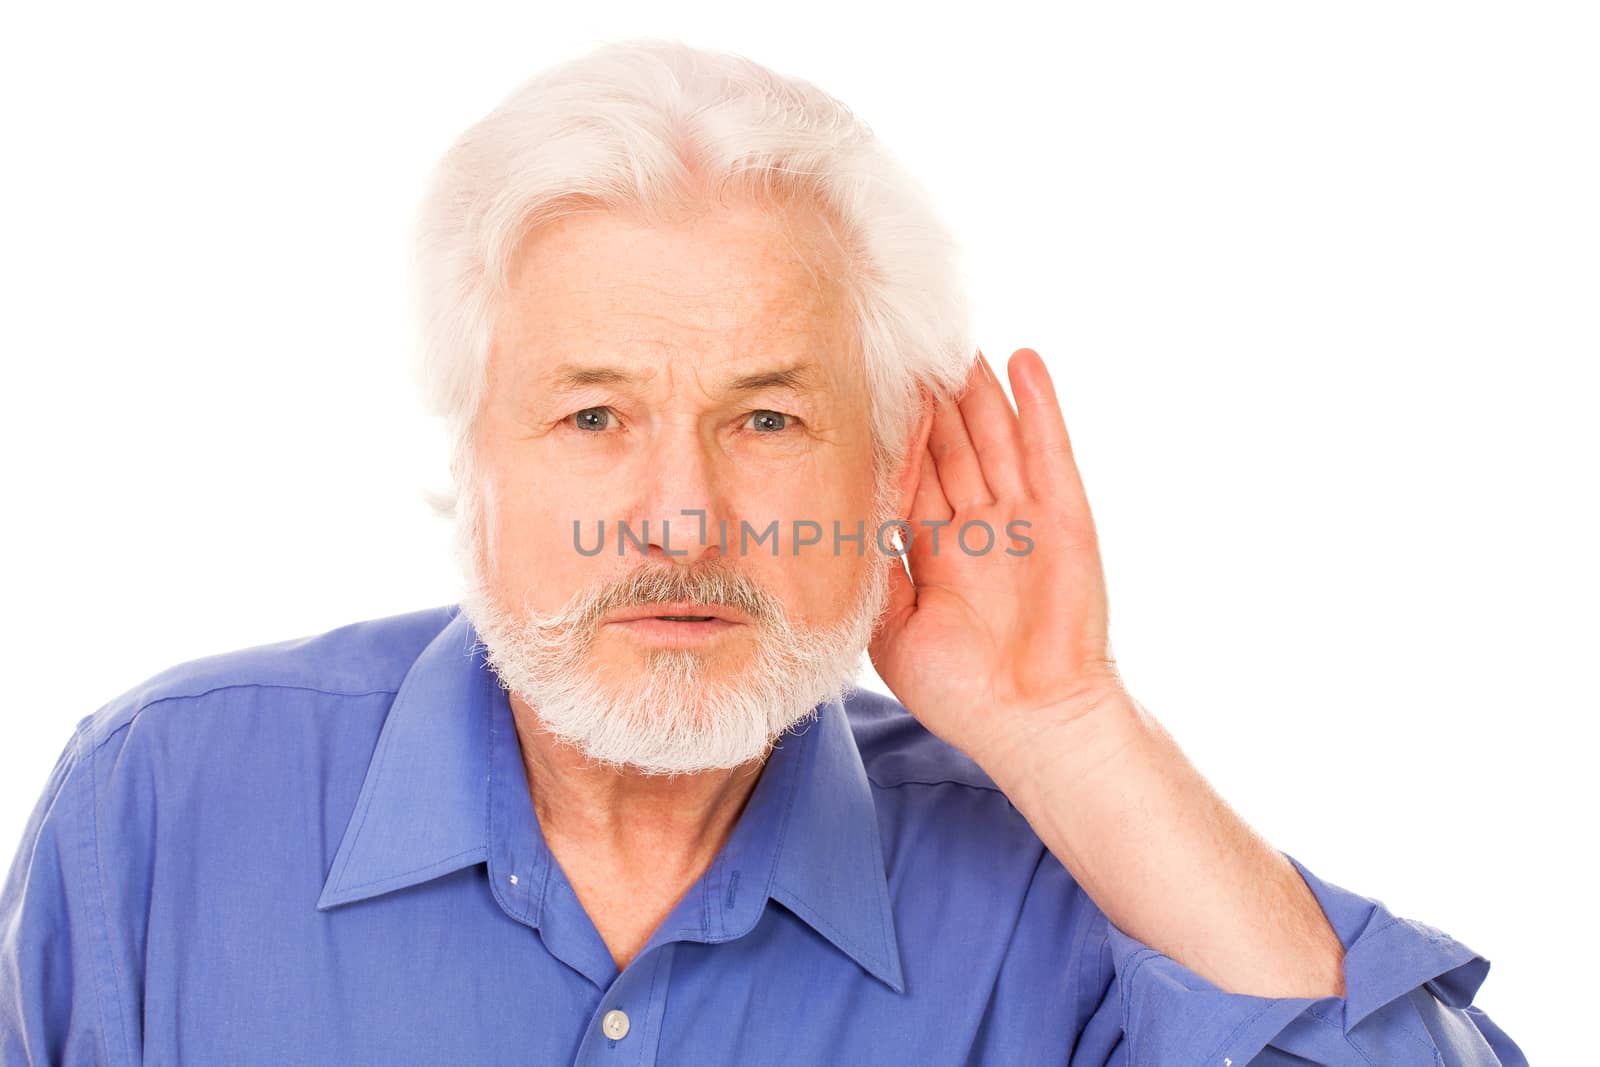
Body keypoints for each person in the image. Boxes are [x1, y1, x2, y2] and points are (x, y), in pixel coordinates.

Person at [0, 38, 1526, 1066]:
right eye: (595, 415)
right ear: (473, 459)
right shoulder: (158, 812)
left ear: (895, 470)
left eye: (769, 421)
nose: (680, 521)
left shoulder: (1058, 887)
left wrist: (1070, 723)